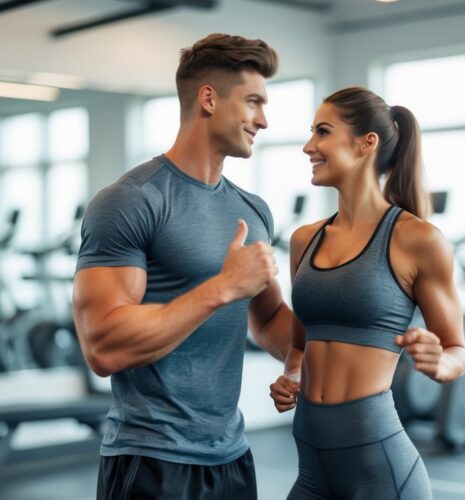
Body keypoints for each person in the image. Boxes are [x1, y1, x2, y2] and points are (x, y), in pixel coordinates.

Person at [72, 33, 294, 500]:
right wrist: (222, 287)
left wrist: (343, 338)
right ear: (209, 99)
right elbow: (103, 347)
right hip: (151, 460)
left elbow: (270, 319)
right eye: (253, 102)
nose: (264, 120)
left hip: (231, 456)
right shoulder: (131, 201)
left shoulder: (253, 212)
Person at [269, 87, 465, 499]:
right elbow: (300, 345)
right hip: (311, 469)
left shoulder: (418, 239)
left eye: (322, 132)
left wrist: (439, 362)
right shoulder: (304, 240)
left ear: (366, 143)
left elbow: (456, 350)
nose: (309, 146)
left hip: (379, 471)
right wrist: (291, 376)